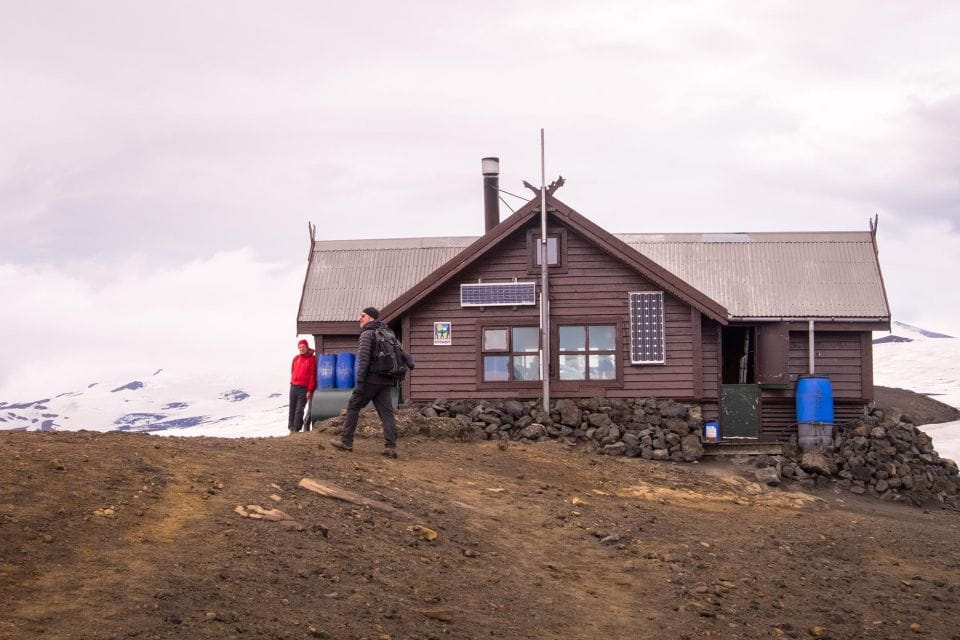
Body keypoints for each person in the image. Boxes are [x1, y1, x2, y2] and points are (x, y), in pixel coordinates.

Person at [330, 306, 413, 458]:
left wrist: (360, 383)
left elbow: (363, 361)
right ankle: (390, 447)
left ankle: (346, 442)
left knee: (354, 406)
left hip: (371, 379)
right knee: (387, 413)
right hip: (386, 380)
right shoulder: (388, 333)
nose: (359, 319)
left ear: (371, 318)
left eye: (362, 316)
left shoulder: (367, 334)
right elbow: (401, 353)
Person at [289, 339, 317, 433]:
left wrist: (310, 390)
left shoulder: (312, 359)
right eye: (300, 347)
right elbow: (292, 371)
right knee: (292, 406)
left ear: (307, 347)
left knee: (299, 408)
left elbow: (313, 376)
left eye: (303, 347)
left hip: (304, 388)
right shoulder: (296, 358)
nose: (301, 349)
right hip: (294, 386)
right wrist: (292, 381)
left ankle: (296, 428)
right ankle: (291, 427)